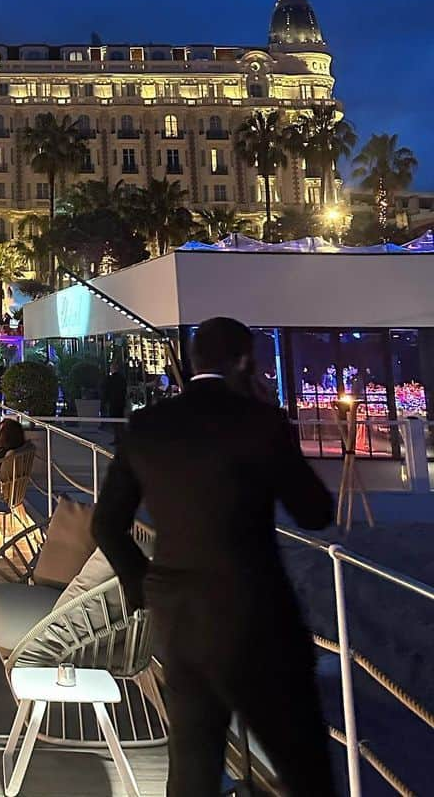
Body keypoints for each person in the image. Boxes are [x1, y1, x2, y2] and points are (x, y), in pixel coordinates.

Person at [92, 316, 336, 797]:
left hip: (179, 616)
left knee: (193, 765)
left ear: (193, 361)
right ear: (245, 361)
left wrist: (145, 587)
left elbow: (106, 525)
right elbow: (314, 512)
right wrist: (276, 426)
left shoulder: (148, 425)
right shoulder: (259, 422)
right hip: (257, 617)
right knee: (304, 766)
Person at [100, 358, 127, 437]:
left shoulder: (109, 379)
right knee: (120, 419)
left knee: (114, 420)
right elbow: (124, 389)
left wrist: (104, 401)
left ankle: (117, 436)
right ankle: (120, 436)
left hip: (113, 402)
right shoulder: (122, 379)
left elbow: (106, 390)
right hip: (121, 401)